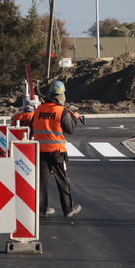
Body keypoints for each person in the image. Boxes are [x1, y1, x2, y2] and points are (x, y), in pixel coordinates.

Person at [31, 80, 81, 218]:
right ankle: (68, 209)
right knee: (62, 181)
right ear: (61, 95)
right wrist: (74, 118)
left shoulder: (39, 110)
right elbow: (70, 130)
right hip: (57, 152)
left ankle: (41, 210)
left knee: (41, 183)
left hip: (40, 151)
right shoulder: (61, 111)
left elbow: (32, 126)